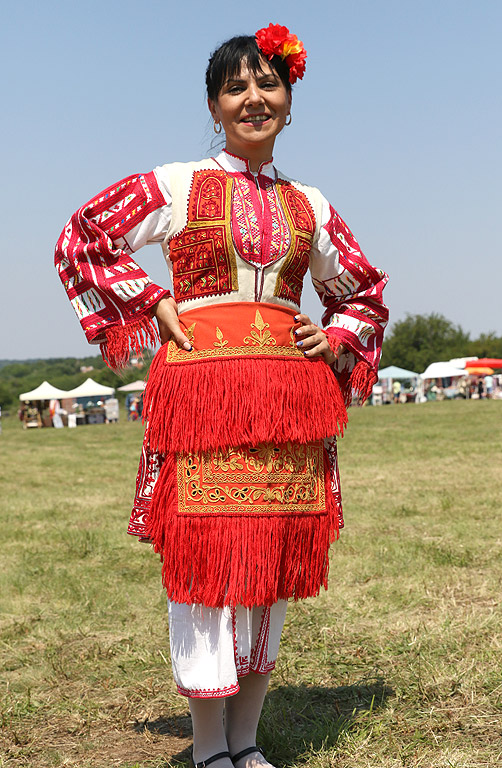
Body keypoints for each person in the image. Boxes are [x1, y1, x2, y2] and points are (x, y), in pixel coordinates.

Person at [55, 24, 388, 768]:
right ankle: (209, 749)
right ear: (213, 104)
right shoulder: (175, 184)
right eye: (235, 86)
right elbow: (84, 236)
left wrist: (332, 339)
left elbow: (363, 292)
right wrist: (148, 302)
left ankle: (246, 741)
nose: (252, 98)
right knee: (207, 567)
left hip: (289, 401)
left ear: (289, 101)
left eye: (267, 83)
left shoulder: (311, 202)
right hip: (203, 397)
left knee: (266, 564)